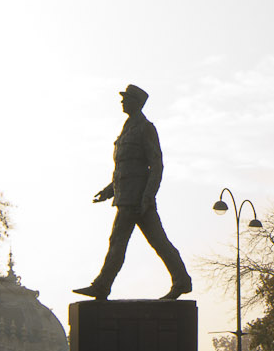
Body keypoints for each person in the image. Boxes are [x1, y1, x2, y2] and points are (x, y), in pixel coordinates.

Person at [74, 84, 192, 300]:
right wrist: (108, 191)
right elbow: (125, 167)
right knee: (157, 242)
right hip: (126, 196)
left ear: (136, 103)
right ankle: (182, 280)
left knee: (119, 241)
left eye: (126, 98)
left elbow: (156, 165)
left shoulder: (145, 128)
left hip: (137, 199)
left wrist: (148, 196)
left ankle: (102, 286)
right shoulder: (128, 127)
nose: (122, 102)